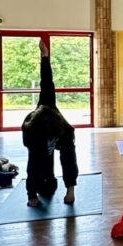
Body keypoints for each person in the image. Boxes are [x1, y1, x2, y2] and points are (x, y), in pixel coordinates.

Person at [22, 39, 79, 208]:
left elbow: (46, 79)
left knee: (68, 156)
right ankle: (44, 182)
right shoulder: (30, 130)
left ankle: (70, 189)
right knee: (45, 181)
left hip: (59, 136)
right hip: (39, 144)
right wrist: (31, 194)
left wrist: (45, 57)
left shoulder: (65, 130)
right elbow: (32, 164)